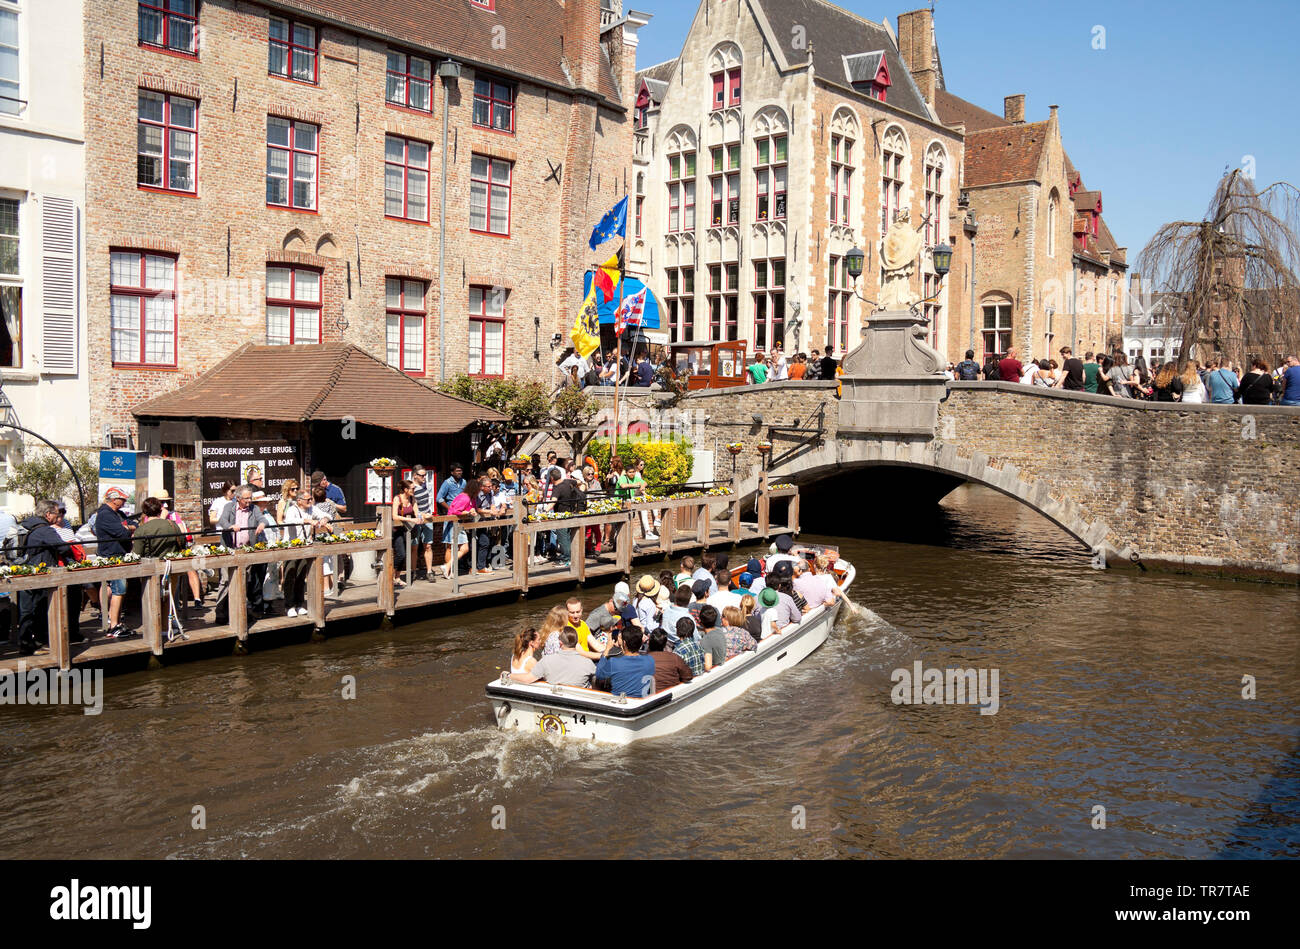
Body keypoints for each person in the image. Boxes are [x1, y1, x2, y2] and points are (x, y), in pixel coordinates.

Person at [15, 500, 70, 655]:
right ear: (48, 514)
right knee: (37, 607)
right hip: (39, 571)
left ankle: (27, 642)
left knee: (27, 608)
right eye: (56, 513)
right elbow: (64, 547)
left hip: (25, 569)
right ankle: (31, 643)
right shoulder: (44, 530)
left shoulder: (28, 524)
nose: (58, 516)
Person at [92, 487, 136, 638]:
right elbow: (122, 533)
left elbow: (133, 523)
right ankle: (113, 625)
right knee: (119, 589)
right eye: (122, 499)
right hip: (112, 556)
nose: (124, 502)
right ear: (113, 499)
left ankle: (110, 618)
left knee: (111, 587)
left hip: (117, 554)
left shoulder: (118, 513)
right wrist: (128, 528)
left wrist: (128, 526)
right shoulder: (106, 514)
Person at [594, 626, 656, 696]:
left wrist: (607, 650)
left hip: (620, 702)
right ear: (641, 642)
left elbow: (599, 674)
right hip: (641, 701)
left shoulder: (613, 662)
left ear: (624, 643)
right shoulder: (650, 661)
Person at [391, 479, 420, 585]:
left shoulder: (412, 499)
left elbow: (417, 512)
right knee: (401, 554)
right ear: (405, 489)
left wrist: (422, 517)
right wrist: (410, 519)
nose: (414, 490)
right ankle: (390, 577)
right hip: (397, 530)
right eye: (412, 488)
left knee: (404, 553)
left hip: (407, 531)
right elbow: (394, 516)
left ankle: (397, 578)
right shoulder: (397, 499)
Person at [646, 628, 694, 692]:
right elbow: (688, 676)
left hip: (651, 697)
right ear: (665, 643)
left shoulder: (642, 659)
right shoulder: (674, 657)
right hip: (672, 694)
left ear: (649, 642)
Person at [436, 462, 467, 554]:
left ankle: (453, 566)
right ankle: (448, 567)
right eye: (457, 471)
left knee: (461, 544)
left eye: (461, 471)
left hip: (461, 515)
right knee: (450, 544)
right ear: (452, 472)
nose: (459, 473)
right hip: (451, 515)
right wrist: (449, 508)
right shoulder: (447, 483)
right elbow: (439, 498)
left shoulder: (463, 482)